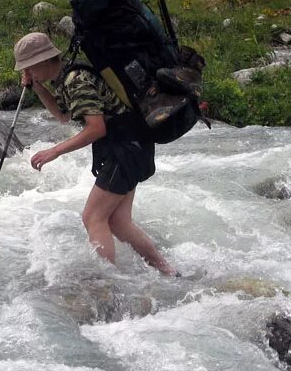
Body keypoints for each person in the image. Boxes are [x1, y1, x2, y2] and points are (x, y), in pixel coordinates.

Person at [13, 32, 177, 276]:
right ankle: (169, 272)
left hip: (126, 149)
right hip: (132, 146)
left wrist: (55, 151)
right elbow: (62, 115)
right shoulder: (67, 77)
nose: (28, 72)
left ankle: (107, 284)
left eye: (29, 68)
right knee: (119, 223)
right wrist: (36, 86)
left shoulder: (75, 79)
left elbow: (96, 128)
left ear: (43, 62)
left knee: (93, 217)